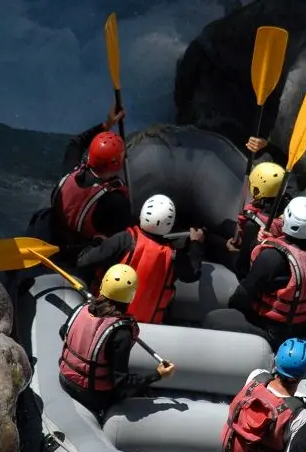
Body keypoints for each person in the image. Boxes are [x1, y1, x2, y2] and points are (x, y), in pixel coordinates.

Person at [204, 196, 306, 350]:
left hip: (274, 332)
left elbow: (240, 298)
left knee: (212, 319)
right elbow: (294, 252)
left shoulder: (272, 257)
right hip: (305, 325)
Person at [59, 263, 176, 416]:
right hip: (93, 396)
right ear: (131, 296)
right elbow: (122, 384)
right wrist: (158, 374)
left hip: (65, 380)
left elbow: (64, 333)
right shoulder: (121, 333)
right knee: (142, 388)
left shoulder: (80, 309)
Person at [76, 194, 204, 324]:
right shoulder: (173, 257)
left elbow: (83, 261)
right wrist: (195, 243)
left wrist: (97, 241)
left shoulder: (124, 240)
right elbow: (193, 273)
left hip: (105, 320)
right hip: (145, 328)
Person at [50, 103, 132, 251]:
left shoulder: (70, 171)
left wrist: (106, 125)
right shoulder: (116, 201)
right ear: (115, 164)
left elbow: (76, 143)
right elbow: (126, 232)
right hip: (83, 255)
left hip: (59, 238)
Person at [220, 338, 306, 452]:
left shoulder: (256, 377)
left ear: (276, 362)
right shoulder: (300, 417)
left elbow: (272, 394)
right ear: (304, 376)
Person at [226, 159, 290, 279]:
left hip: (247, 272)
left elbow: (243, 264)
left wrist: (232, 253)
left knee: (214, 242)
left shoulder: (253, 224)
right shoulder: (287, 206)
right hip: (273, 261)